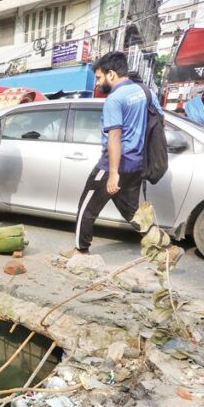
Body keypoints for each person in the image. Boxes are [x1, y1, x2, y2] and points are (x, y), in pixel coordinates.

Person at [59, 51, 177, 260]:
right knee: (131, 211)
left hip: (112, 165)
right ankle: (166, 248)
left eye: (98, 78)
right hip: (137, 164)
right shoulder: (145, 91)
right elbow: (161, 122)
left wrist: (113, 173)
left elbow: (114, 136)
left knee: (87, 208)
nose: (97, 84)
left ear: (111, 74)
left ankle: (80, 249)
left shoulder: (115, 98)